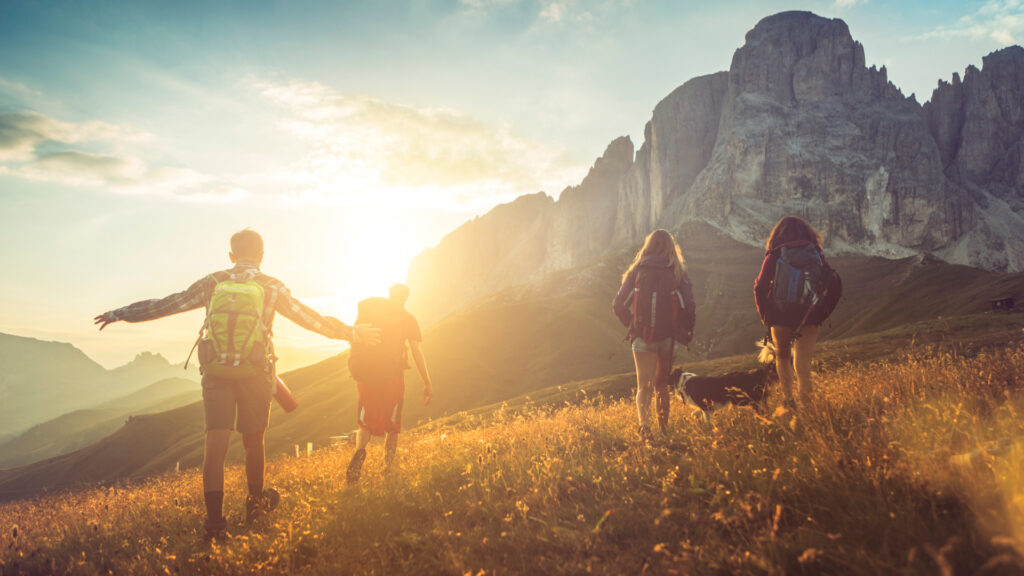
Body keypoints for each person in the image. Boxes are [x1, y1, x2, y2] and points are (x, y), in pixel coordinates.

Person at [94, 229, 379, 541]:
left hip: (216, 373)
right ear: (262, 256)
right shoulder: (272, 286)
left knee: (214, 445)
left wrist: (120, 313)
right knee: (253, 442)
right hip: (255, 373)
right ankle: (255, 509)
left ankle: (215, 525)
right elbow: (310, 319)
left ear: (231, 255)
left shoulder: (212, 282)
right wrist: (351, 333)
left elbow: (165, 305)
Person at [346, 283, 433, 485]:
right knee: (393, 425)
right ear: (406, 297)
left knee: (365, 423)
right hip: (393, 377)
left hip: (365, 377)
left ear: (389, 294)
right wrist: (427, 382)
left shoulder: (370, 312)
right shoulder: (408, 319)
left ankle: (359, 452)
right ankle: (388, 467)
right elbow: (416, 352)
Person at [612, 229, 695, 439]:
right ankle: (664, 431)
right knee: (661, 385)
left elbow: (618, 304)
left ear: (647, 246)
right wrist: (683, 332)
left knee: (644, 387)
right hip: (669, 338)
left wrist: (632, 325)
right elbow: (690, 307)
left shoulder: (637, 270)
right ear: (671, 247)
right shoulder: (678, 272)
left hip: (643, 337)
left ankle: (645, 428)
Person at [753, 216, 841, 406]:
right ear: (808, 233)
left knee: (782, 357)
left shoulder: (775, 254)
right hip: (810, 314)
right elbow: (833, 281)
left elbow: (759, 286)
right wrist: (822, 312)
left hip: (780, 314)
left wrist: (765, 316)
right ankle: (807, 406)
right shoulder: (815, 253)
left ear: (777, 235)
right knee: (803, 365)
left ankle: (788, 401)